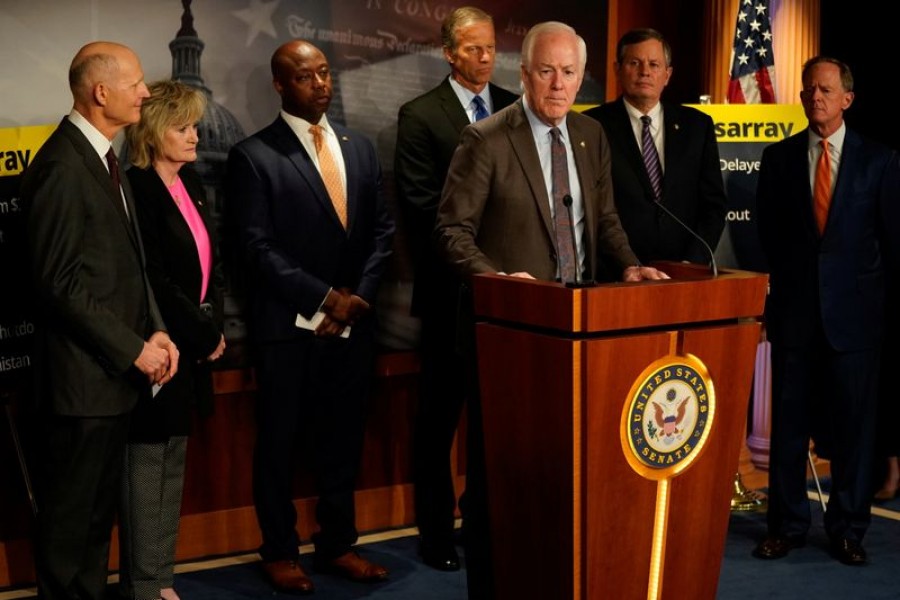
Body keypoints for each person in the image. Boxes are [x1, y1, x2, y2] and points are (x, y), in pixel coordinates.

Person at [434, 21, 668, 598]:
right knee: (501, 483)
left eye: (568, 73)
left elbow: (605, 222)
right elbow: (451, 231)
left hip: (583, 336)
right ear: (524, 73)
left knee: (569, 480)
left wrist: (630, 265)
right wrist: (499, 282)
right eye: (546, 71)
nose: (558, 84)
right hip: (509, 337)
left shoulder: (590, 135)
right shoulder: (486, 139)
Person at [226, 40, 395, 594]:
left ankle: (338, 546)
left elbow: (381, 235)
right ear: (280, 84)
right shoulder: (254, 156)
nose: (320, 84)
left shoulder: (361, 148)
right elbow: (255, 247)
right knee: (278, 444)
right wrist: (325, 298)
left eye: (325, 73)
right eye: (305, 76)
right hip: (287, 330)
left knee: (343, 441)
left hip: (353, 327)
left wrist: (355, 300)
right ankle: (279, 551)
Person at [20, 41, 179, 600]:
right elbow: (57, 284)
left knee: (93, 532)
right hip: (77, 390)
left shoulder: (108, 159)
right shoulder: (62, 166)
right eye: (135, 83)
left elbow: (130, 266)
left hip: (108, 386)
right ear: (100, 92)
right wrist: (133, 349)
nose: (146, 92)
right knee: (69, 538)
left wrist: (155, 329)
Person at [753, 56, 900, 566]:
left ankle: (847, 530)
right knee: (788, 432)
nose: (815, 96)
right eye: (809, 88)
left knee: (854, 433)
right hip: (795, 317)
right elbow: (766, 235)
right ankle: (787, 526)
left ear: (847, 99)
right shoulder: (779, 159)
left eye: (826, 89)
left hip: (856, 323)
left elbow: (891, 241)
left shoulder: (879, 160)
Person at [394, 5, 518, 572]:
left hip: (511, 298)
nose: (485, 57)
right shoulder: (420, 116)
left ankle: (485, 522)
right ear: (449, 52)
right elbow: (421, 211)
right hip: (451, 296)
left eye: (491, 47)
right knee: (439, 421)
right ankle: (437, 532)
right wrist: (480, 262)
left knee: (497, 422)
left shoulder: (516, 109)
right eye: (472, 48)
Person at [118, 79, 226, 600]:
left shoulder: (194, 186)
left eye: (195, 126)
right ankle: (143, 585)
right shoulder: (135, 187)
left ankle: (161, 580)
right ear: (155, 130)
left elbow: (212, 269)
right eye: (182, 127)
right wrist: (201, 332)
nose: (194, 135)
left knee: (172, 463)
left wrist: (214, 329)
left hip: (193, 350)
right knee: (146, 466)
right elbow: (154, 277)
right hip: (157, 348)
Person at [583, 28, 726, 268]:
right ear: (617, 70)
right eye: (635, 63)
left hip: (683, 272)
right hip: (617, 274)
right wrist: (626, 264)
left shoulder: (697, 126)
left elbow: (713, 205)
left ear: (667, 74)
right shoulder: (591, 126)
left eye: (654, 64)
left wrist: (692, 261)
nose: (645, 72)